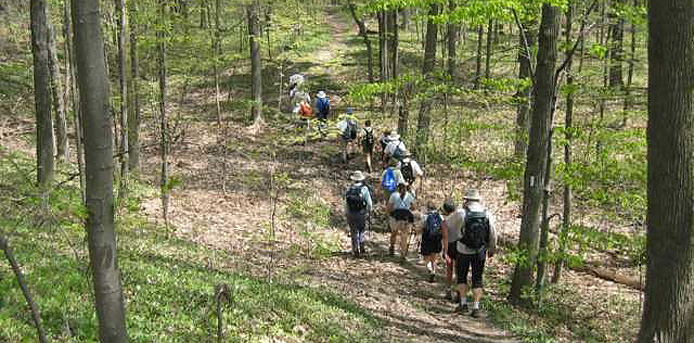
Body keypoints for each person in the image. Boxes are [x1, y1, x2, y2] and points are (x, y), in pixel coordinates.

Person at [453, 189, 497, 318]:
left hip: (462, 250)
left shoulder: (461, 213)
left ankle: (463, 304)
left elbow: (452, 228)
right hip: (480, 250)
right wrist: (492, 248)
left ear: (466, 200)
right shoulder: (487, 214)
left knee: (461, 276)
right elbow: (493, 233)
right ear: (478, 200)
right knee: (477, 278)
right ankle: (476, 308)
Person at [344, 171, 373, 257]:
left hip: (350, 213)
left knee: (353, 231)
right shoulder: (364, 189)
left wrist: (346, 212)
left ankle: (355, 249)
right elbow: (369, 203)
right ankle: (362, 247)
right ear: (361, 179)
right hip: (361, 213)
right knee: (361, 230)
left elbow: (346, 202)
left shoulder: (349, 189)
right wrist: (368, 211)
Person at [386, 181, 416, 259]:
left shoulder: (394, 195)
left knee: (394, 233)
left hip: (395, 217)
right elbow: (414, 207)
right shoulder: (410, 196)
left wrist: (389, 215)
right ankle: (403, 254)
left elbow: (389, 208)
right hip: (406, 218)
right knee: (404, 236)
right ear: (406, 188)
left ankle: (392, 248)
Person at [441, 199, 462, 302]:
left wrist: (445, 251)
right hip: (461, 246)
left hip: (450, 246)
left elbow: (445, 237)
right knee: (459, 270)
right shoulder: (460, 217)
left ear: (445, 210)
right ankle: (459, 293)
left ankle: (448, 291)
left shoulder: (446, 221)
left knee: (449, 269)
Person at [420, 201, 443, 282]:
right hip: (437, 239)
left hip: (427, 239)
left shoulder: (425, 216)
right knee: (434, 258)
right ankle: (434, 271)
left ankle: (430, 269)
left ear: (428, 208)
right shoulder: (440, 216)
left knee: (426, 256)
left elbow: (421, 226)